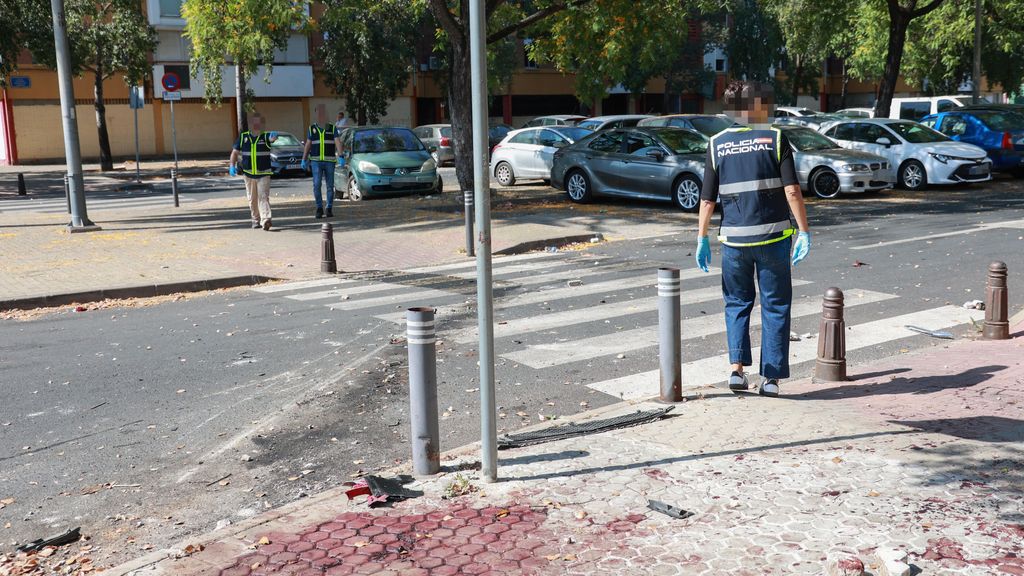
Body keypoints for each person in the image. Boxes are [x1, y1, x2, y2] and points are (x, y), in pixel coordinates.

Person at [695, 124, 810, 398]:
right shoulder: (775, 137)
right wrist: (804, 230)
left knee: (736, 303)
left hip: (734, 242)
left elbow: (707, 200)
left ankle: (736, 371)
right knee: (776, 305)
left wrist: (701, 238)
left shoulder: (716, 142)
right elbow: (792, 190)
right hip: (773, 239)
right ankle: (770, 379)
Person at [229, 113, 278, 230]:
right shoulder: (243, 137)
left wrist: (274, 138)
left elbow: (272, 139)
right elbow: (235, 152)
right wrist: (231, 165)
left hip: (263, 174)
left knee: (263, 197)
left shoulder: (265, 137)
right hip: (249, 174)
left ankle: (266, 219)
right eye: (254, 122)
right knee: (252, 198)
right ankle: (255, 220)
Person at [301, 105, 342, 218]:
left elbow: (337, 142)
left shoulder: (332, 128)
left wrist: (341, 155)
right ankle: (319, 207)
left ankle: (329, 208)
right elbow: (308, 144)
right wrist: (304, 159)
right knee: (317, 184)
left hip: (329, 161)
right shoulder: (312, 129)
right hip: (315, 161)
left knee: (330, 185)